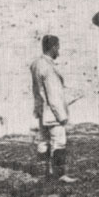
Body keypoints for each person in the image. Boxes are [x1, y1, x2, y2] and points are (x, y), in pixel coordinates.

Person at [31, 34, 76, 183]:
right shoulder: (49, 68)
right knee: (59, 141)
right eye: (58, 47)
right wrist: (62, 116)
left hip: (41, 110)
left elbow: (38, 91)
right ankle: (59, 174)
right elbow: (53, 95)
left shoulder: (36, 63)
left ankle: (42, 173)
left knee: (43, 141)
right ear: (54, 47)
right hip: (52, 113)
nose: (59, 51)